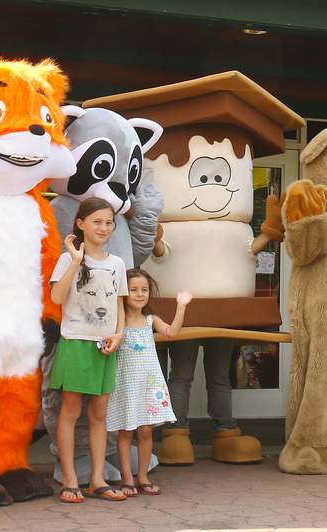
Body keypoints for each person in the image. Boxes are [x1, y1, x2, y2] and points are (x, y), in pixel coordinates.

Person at [49, 198, 129, 504]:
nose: (104, 228)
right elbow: (57, 297)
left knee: (99, 414)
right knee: (69, 412)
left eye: (109, 222)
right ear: (80, 224)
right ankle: (70, 480)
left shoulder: (117, 264)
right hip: (75, 342)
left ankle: (97, 479)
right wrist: (74, 261)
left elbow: (119, 304)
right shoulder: (66, 259)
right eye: (97, 221)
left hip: (106, 346)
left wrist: (118, 335)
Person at [107, 269, 189, 497]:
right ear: (124, 293)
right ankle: (126, 479)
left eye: (144, 290)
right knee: (126, 432)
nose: (140, 294)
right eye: (133, 290)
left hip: (149, 385)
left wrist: (181, 307)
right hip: (126, 385)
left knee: (145, 432)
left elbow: (172, 332)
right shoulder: (118, 322)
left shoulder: (151, 320)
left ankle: (142, 477)